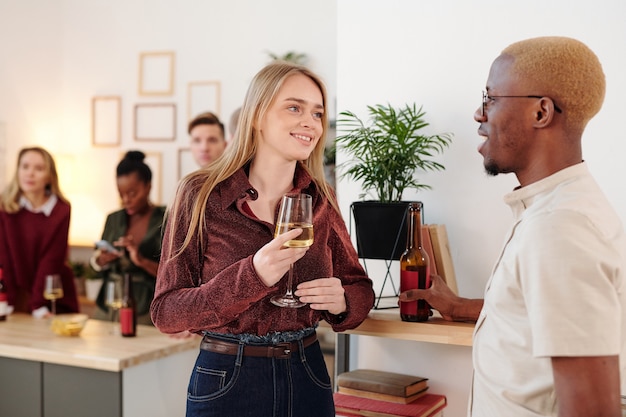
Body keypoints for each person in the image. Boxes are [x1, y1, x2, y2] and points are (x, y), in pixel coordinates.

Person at [400, 36, 625, 416]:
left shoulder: (559, 228)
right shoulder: (554, 211)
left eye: (490, 98)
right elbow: (542, 313)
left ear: (541, 113)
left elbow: (592, 409)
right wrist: (459, 307)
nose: (478, 113)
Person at [151, 61, 375, 417]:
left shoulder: (322, 198)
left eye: (317, 113)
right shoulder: (201, 194)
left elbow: (360, 289)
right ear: (256, 116)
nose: (310, 122)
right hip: (227, 378)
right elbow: (166, 312)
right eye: (294, 107)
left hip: (308, 374)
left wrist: (343, 300)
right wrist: (252, 275)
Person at [0, 146, 79, 317]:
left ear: (49, 176)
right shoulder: (4, 206)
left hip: (50, 294)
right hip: (13, 295)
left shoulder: (61, 210)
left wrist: (38, 305)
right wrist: (9, 300)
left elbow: (52, 259)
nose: (30, 173)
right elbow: (4, 257)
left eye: (39, 168)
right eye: (25, 166)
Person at [90, 150, 166, 325]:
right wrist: (101, 261)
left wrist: (140, 260)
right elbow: (94, 269)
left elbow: (173, 274)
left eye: (132, 193)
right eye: (121, 194)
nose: (126, 200)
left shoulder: (166, 219)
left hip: (144, 308)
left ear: (148, 186)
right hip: (107, 305)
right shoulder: (113, 218)